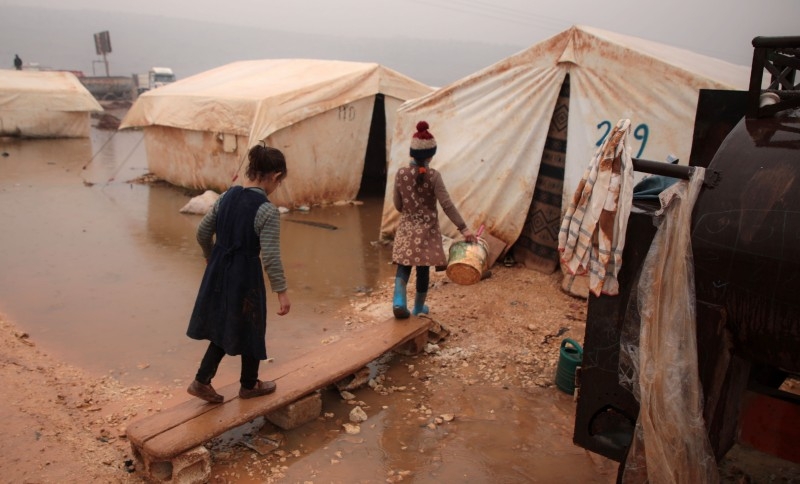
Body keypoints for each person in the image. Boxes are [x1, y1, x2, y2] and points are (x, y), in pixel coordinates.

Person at [186, 142, 291, 403]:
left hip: (219, 270)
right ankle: (249, 385)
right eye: (279, 182)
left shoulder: (226, 196)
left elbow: (202, 232)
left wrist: (209, 255)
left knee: (224, 322)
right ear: (275, 176)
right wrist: (282, 292)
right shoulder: (266, 210)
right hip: (244, 274)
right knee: (252, 324)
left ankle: (202, 381)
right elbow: (270, 257)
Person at [391, 121, 476, 318]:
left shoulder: (401, 174)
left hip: (407, 228)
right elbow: (447, 205)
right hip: (428, 230)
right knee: (423, 269)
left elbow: (398, 204)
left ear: (412, 153)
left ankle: (398, 301)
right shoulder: (434, 176)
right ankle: (419, 308)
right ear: (431, 155)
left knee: (404, 264)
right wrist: (464, 229)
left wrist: (410, 213)